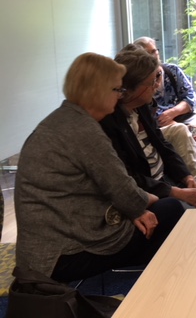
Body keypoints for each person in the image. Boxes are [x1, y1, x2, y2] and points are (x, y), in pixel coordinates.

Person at [14, 53, 184, 283]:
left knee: (155, 214)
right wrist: (143, 205)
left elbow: (115, 191)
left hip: (44, 249)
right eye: (116, 90)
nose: (120, 96)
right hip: (62, 255)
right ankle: (156, 289)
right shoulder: (84, 130)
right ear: (97, 91)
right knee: (171, 209)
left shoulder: (64, 119)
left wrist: (135, 208)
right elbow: (123, 189)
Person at [100, 48, 196, 209]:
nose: (157, 86)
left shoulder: (142, 106)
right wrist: (175, 192)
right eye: (152, 81)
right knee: (192, 213)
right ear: (134, 88)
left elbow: (163, 145)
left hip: (168, 180)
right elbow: (130, 177)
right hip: (151, 193)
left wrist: (187, 177)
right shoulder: (110, 121)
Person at [134, 37, 196, 180]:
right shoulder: (141, 84)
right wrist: (170, 121)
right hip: (163, 126)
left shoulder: (172, 71)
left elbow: (191, 97)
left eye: (154, 51)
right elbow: (146, 116)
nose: (153, 56)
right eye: (148, 54)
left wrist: (173, 112)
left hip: (182, 117)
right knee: (184, 138)